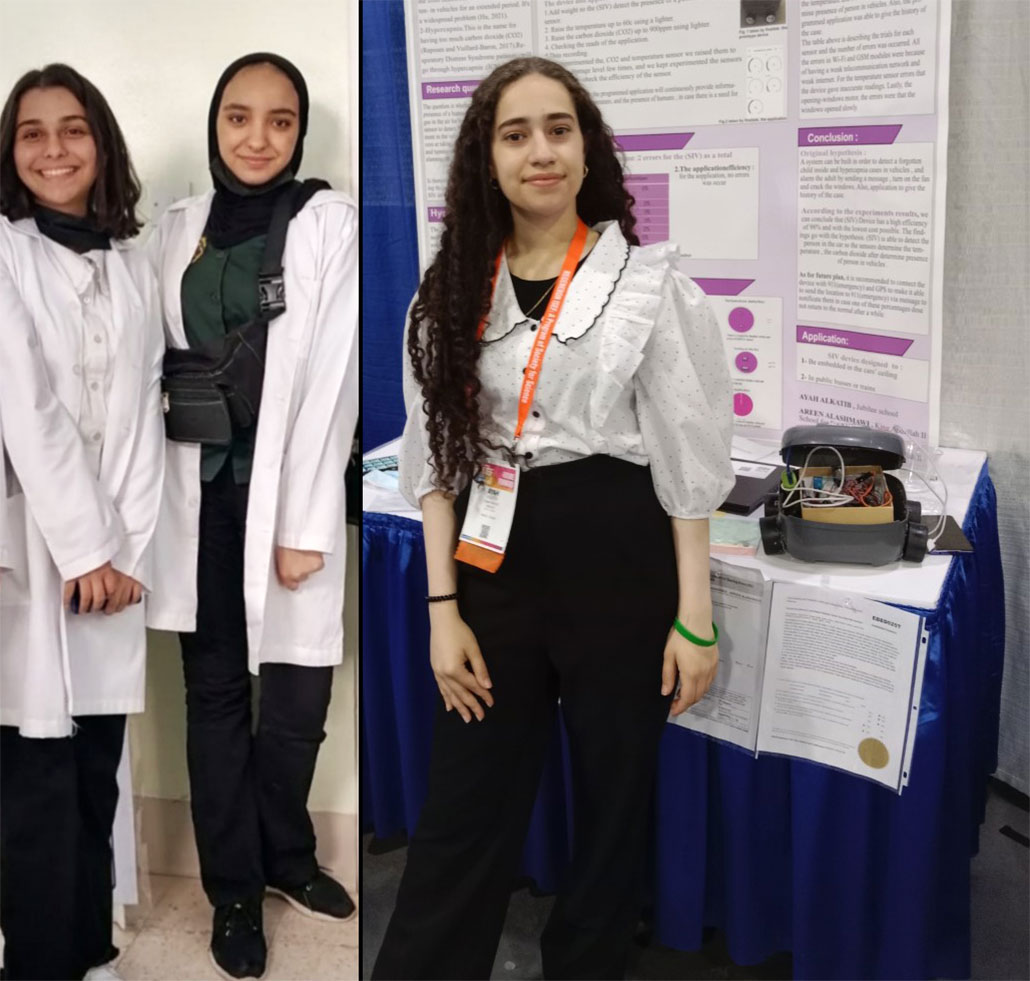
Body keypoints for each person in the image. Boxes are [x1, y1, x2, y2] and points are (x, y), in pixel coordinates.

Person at [375, 56, 736, 980]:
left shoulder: (648, 286)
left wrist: (695, 618)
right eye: (516, 133)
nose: (541, 150)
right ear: (486, 159)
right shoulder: (451, 290)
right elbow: (434, 461)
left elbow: (686, 461)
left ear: (587, 148)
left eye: (559, 129)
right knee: (464, 804)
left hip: (615, 551)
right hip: (492, 555)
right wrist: (442, 609)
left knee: (614, 801)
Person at [145, 52, 359, 981]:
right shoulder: (174, 228)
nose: (258, 138)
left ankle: (288, 855)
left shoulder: (328, 224)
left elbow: (334, 382)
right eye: (239, 117)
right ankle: (233, 887)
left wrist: (303, 524)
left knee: (298, 700)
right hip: (195, 500)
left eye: (280, 120)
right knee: (216, 696)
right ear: (215, 124)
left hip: (287, 500)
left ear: (300, 131)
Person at [0, 64, 164, 981]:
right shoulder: (4, 251)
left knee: (95, 764)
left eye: (73, 129)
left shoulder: (130, 262)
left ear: (101, 143)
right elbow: (25, 408)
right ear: (10, 151)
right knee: (34, 775)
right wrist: (87, 546)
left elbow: (143, 414)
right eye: (32, 132)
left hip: (113, 564)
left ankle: (89, 949)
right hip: (33, 548)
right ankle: (38, 962)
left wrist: (125, 550)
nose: (54, 149)